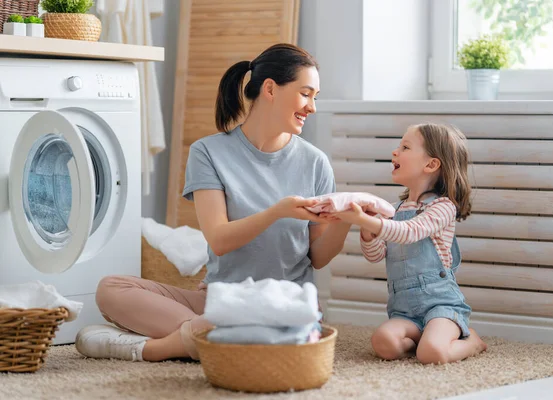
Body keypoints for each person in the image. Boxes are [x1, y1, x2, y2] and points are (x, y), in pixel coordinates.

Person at [75, 43, 351, 362]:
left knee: (258, 329)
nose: (312, 107)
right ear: (271, 89)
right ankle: (216, 336)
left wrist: (344, 221)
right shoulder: (208, 153)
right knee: (111, 288)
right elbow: (219, 240)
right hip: (221, 302)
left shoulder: (315, 163)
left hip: (283, 305)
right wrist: (278, 211)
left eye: (314, 96)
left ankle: (156, 348)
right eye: (306, 94)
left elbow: (317, 257)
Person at [325, 123, 487, 364]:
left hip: (439, 305)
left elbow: (410, 232)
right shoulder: (395, 210)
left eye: (405, 147)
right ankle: (423, 340)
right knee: (383, 343)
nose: (395, 152)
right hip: (404, 310)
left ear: (431, 164)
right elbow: (376, 255)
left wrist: (365, 220)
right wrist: (367, 228)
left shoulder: (442, 207)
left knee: (432, 355)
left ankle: (471, 342)